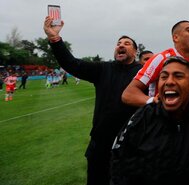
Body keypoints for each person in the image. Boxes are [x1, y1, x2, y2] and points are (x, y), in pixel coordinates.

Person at [43, 16, 142, 185]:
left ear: (135, 52)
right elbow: (72, 64)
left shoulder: (143, 73)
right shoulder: (103, 69)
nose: (121, 45)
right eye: (119, 43)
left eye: (127, 43)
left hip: (132, 145)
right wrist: (55, 39)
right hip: (100, 145)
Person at [111, 56, 189, 185]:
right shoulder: (143, 117)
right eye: (163, 77)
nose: (169, 82)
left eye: (178, 76)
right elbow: (120, 163)